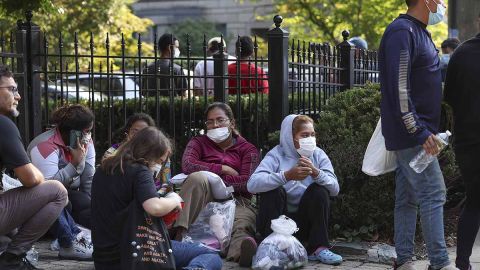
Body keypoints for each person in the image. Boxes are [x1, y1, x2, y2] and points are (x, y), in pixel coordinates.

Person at [379, 0, 457, 269]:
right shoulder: (402, 32)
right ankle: (439, 262)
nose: (442, 4)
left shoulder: (418, 31)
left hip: (416, 132)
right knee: (434, 193)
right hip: (413, 135)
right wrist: (419, 131)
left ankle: (404, 260)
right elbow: (399, 88)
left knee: (408, 198)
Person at [91, 127, 222, 270]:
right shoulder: (140, 170)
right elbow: (154, 207)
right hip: (134, 253)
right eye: (160, 160)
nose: (159, 166)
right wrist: (174, 200)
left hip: (103, 260)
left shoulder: (102, 170)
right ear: (149, 153)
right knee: (210, 255)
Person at [172, 102, 260, 267]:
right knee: (197, 178)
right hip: (203, 199)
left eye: (220, 120)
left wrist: (221, 181)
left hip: (237, 199)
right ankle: (179, 236)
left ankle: (242, 251)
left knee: (241, 224)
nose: (215, 125)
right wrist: (222, 169)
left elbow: (248, 181)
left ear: (232, 123)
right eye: (210, 122)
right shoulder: (198, 142)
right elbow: (188, 165)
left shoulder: (248, 149)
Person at [247, 114, 342, 265]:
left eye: (312, 135)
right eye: (304, 135)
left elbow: (335, 188)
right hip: (279, 222)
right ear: (291, 137)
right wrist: (286, 176)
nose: (310, 139)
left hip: (304, 224)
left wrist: (316, 173)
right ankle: (270, 247)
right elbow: (252, 184)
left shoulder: (318, 154)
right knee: (273, 191)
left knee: (320, 190)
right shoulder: (277, 154)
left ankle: (318, 248)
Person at [0, 64, 68, 269]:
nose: (18, 96)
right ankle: (12, 259)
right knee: (57, 191)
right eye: (12, 89)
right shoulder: (3, 125)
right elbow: (30, 179)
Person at [27, 104, 95, 260]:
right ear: (73, 132)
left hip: (67, 196)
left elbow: (88, 180)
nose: (89, 136)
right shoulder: (44, 146)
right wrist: (74, 165)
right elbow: (48, 188)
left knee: (85, 202)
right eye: (86, 131)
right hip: (39, 200)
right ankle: (69, 242)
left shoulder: (85, 142)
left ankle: (89, 236)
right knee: (57, 199)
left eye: (90, 131)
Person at [444, 32, 480, 270]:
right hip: (469, 139)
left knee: (475, 200)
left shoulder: (462, 52)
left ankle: (463, 260)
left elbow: (449, 97)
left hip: (468, 140)